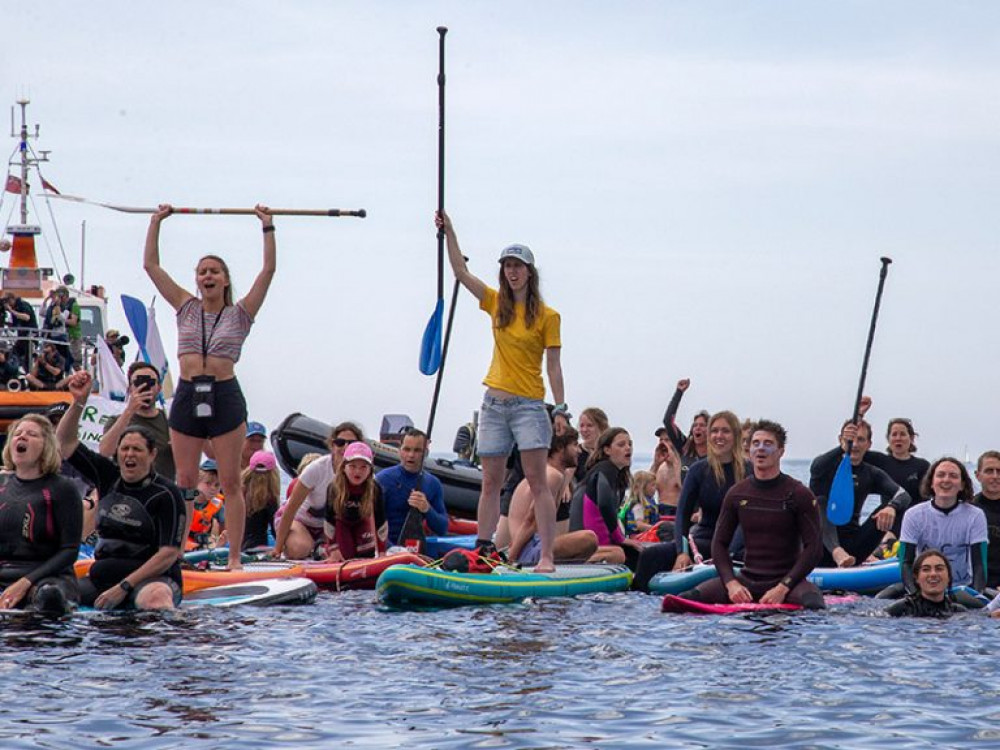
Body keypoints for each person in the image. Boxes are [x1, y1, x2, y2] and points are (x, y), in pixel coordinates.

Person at [143, 202, 275, 570]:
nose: (207, 276)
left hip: (225, 396)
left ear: (225, 279)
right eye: (202, 272)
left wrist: (267, 227)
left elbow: (268, 270)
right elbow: (152, 267)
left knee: (231, 480)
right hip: (187, 394)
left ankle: (234, 558)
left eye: (214, 271)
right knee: (184, 479)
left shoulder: (241, 313)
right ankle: (178, 552)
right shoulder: (185, 306)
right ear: (197, 279)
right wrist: (157, 222)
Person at [437, 210, 565, 573]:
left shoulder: (548, 316)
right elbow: (461, 275)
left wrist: (560, 406)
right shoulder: (496, 303)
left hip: (529, 405)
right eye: (507, 265)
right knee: (490, 481)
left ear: (530, 272)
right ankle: (484, 548)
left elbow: (553, 365)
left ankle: (546, 556)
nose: (512, 271)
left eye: (518, 266)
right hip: (494, 403)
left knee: (538, 481)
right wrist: (450, 232)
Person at [56, 371, 186, 610]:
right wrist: (78, 402)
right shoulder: (107, 475)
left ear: (152, 455)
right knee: (52, 596)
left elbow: (168, 553)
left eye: (137, 450)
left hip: (152, 580)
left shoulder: (166, 493)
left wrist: (123, 587)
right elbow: (65, 444)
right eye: (124, 449)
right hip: (103, 578)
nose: (129, 455)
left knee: (154, 599)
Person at [681, 420, 825, 609]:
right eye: (756, 443)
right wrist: (731, 583)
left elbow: (814, 549)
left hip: (789, 584)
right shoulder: (737, 493)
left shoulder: (798, 494)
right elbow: (719, 544)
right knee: (682, 601)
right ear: (749, 450)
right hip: (747, 581)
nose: (761, 449)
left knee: (815, 606)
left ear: (781, 451)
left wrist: (783, 587)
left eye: (768, 444)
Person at [0, 414, 82, 615]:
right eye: (17, 434)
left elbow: (70, 550)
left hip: (48, 579)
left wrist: (25, 583)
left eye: (31, 434)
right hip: (5, 574)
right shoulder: (2, 487)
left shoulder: (62, 488)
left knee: (49, 597)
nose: (22, 437)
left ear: (46, 445)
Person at [810, 420, 911, 567]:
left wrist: (892, 507)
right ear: (841, 440)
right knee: (819, 501)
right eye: (851, 439)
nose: (855, 444)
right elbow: (816, 467)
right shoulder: (825, 468)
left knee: (890, 508)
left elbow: (903, 495)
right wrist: (842, 448)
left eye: (861, 439)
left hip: (853, 550)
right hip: (820, 546)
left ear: (869, 444)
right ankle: (837, 552)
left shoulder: (871, 473)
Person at [274, 421, 364, 559]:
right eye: (340, 442)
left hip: (329, 526)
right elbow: (290, 509)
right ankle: (308, 548)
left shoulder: (365, 474)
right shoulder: (317, 469)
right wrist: (277, 549)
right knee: (300, 548)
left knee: (348, 550)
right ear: (332, 445)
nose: (345, 447)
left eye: (351, 443)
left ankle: (321, 549)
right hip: (300, 520)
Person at [508, 428, 598, 565]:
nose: (579, 450)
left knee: (616, 554)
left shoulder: (550, 474)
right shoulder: (551, 476)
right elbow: (531, 520)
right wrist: (511, 559)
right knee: (589, 538)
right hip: (528, 549)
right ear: (560, 448)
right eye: (574, 445)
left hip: (531, 546)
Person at [673, 410, 749, 570]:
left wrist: (728, 554)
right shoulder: (698, 470)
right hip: (706, 537)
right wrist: (682, 552)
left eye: (725, 431)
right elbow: (682, 514)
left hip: (741, 543)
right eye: (714, 431)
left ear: (736, 435)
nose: (719, 436)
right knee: (651, 556)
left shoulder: (750, 471)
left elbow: (747, 519)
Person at [898, 457, 987, 594]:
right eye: (940, 475)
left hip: (961, 589)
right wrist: (915, 595)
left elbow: (979, 565)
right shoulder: (913, 515)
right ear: (932, 483)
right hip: (924, 588)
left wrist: (976, 596)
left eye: (953, 476)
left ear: (962, 485)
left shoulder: (975, 515)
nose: (946, 480)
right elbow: (906, 563)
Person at [569, 427, 642, 565]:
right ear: (607, 450)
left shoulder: (615, 475)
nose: (628, 448)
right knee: (631, 555)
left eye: (630, 444)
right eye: (621, 445)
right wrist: (620, 539)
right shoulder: (606, 469)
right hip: (587, 547)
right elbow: (604, 504)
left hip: (598, 543)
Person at [99, 362, 175, 480]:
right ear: (130, 389)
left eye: (150, 382)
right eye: (138, 382)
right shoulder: (117, 421)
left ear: (159, 388)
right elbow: (105, 451)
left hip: (162, 492)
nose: (145, 386)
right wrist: (129, 410)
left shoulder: (170, 422)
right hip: (127, 491)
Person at [375, 428, 448, 547]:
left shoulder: (433, 483)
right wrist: (392, 550)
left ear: (425, 453)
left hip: (416, 548)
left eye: (417, 450)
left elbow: (442, 528)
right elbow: (370, 524)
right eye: (407, 449)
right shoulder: (383, 480)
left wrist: (427, 509)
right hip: (386, 549)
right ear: (399, 451)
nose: (411, 455)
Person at [857, 399, 930, 513]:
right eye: (894, 434)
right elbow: (853, 447)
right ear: (888, 439)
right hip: (886, 517)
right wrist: (859, 414)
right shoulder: (880, 461)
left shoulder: (922, 465)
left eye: (902, 434)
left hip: (914, 517)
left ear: (911, 438)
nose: (898, 438)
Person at [323, 442, 387, 561]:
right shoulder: (334, 487)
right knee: (345, 556)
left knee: (366, 555)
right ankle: (323, 550)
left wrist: (382, 552)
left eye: (363, 467)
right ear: (344, 467)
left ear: (370, 470)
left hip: (362, 522)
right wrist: (333, 549)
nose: (357, 472)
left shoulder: (375, 488)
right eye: (352, 466)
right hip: (342, 524)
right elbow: (329, 520)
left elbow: (381, 522)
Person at [225, 450, 279, 551]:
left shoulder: (238, 494)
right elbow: (275, 529)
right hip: (257, 548)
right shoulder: (270, 500)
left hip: (237, 548)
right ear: (273, 475)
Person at [887, 549, 965, 618]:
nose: (933, 574)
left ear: (949, 577)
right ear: (916, 578)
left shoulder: (958, 611)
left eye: (939, 569)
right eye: (926, 569)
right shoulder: (899, 609)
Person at [659, 378, 709, 472]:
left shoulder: (716, 456)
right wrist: (679, 392)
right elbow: (668, 421)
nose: (698, 428)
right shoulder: (685, 448)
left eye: (702, 425)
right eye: (695, 425)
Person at [973, 450, 1000, 593]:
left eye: (999, 471)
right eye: (989, 471)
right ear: (978, 476)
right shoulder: (968, 510)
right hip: (976, 586)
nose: (995, 476)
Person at [187, 458, 224, 550]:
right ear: (197, 482)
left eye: (217, 485)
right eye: (208, 483)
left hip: (204, 544)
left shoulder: (218, 505)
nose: (213, 488)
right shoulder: (186, 500)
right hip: (184, 543)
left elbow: (225, 529)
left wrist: (219, 541)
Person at [650, 428, 682, 516]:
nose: (663, 443)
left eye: (667, 440)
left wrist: (675, 462)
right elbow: (644, 488)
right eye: (661, 440)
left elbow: (686, 489)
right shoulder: (660, 467)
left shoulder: (683, 465)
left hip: (676, 511)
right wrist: (655, 464)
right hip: (660, 510)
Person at [2, 290, 38, 368]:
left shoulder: (23, 304)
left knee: (27, 359)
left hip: (30, 336)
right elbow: (14, 326)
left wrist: (11, 311)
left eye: (8, 302)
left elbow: (26, 317)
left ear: (12, 299)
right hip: (21, 337)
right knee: (13, 353)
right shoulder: (14, 309)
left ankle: (28, 372)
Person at [620, 470, 658, 536]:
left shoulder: (646, 503)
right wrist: (657, 530)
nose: (655, 488)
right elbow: (640, 525)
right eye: (652, 485)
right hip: (638, 538)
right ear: (642, 487)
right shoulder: (638, 506)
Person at [576, 407, 609, 482]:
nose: (584, 430)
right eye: (582, 426)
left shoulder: (609, 453)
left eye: (589, 425)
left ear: (602, 427)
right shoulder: (576, 452)